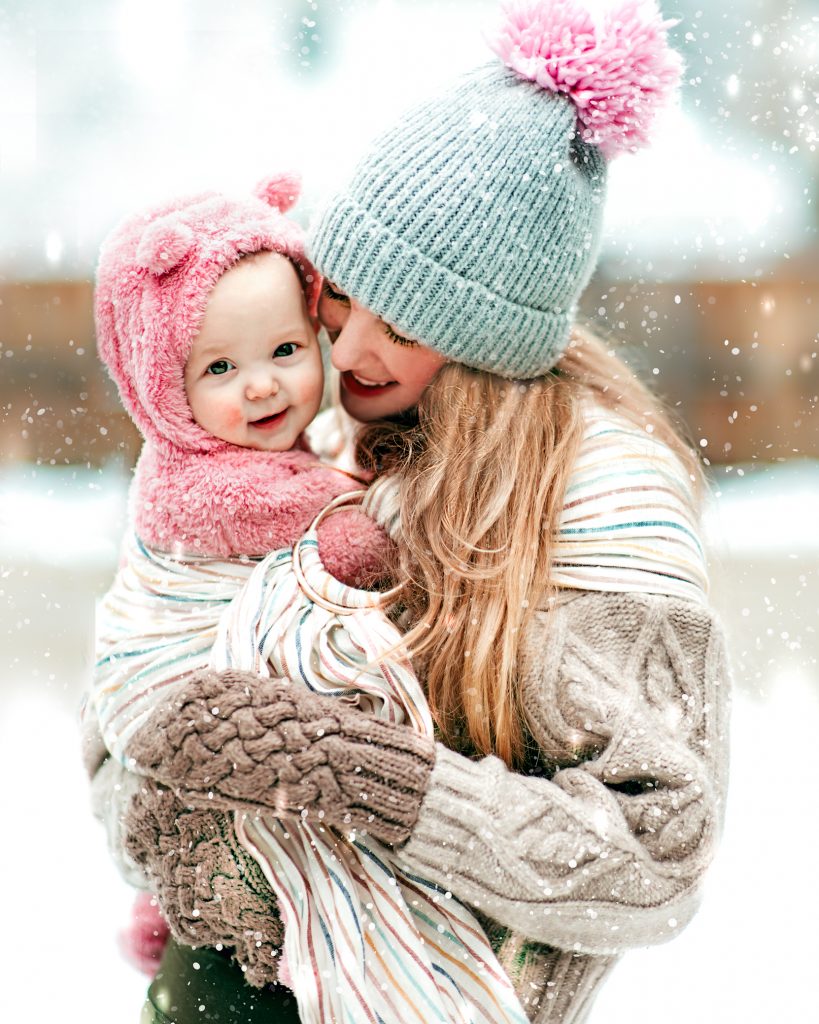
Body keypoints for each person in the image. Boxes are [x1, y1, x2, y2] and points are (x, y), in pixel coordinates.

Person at [85, 2, 730, 1022]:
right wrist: (198, 848)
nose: (343, 355)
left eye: (400, 323)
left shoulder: (593, 502)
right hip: (219, 993)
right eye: (342, 301)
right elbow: (133, 707)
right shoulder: (321, 431)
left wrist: (364, 778)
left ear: (482, 334)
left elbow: (654, 853)